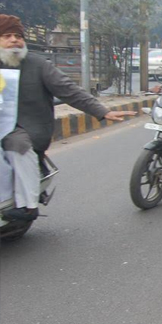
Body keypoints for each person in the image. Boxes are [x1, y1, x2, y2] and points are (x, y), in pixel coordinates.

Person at [0, 14, 135, 221]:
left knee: (17, 143)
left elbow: (68, 89)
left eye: (17, 36)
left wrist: (101, 111)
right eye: (7, 36)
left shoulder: (38, 65)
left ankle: (28, 206)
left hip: (28, 127)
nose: (14, 40)